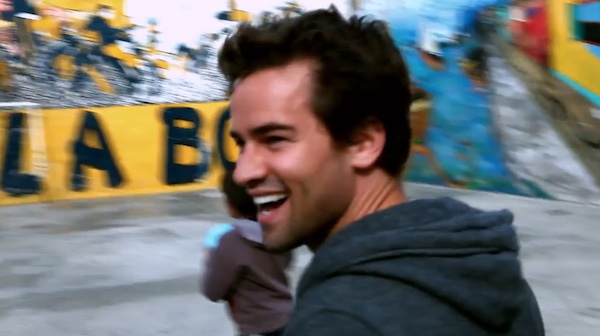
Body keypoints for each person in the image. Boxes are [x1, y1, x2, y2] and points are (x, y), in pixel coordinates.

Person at [218, 6, 545, 336]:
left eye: (274, 139)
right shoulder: (486, 270)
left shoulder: (338, 321)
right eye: (241, 144)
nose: (243, 173)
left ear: (363, 142)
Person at [201, 167, 293, 336]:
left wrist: (211, 258)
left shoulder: (232, 240)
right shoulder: (281, 230)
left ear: (230, 203)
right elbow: (286, 262)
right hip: (289, 319)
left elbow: (212, 291)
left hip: (256, 327)